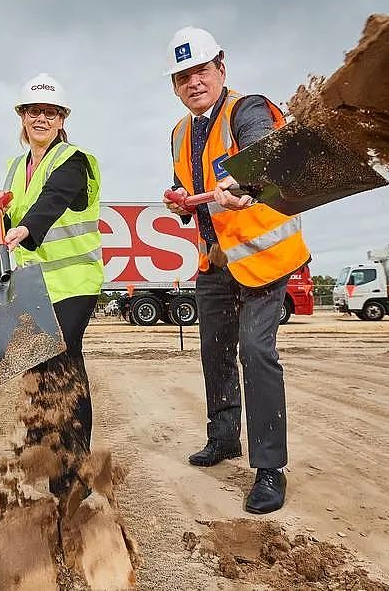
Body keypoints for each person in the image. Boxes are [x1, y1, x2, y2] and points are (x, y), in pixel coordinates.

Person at [161, 27, 310, 514]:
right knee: (215, 352)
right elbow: (192, 189)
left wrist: (243, 180)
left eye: (200, 71)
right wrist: (183, 203)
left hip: (265, 258)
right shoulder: (180, 132)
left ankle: (270, 469)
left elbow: (265, 154)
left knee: (255, 350)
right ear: (175, 86)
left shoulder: (248, 109)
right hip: (215, 261)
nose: (193, 82)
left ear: (221, 68)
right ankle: (223, 437)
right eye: (183, 77)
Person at [0, 74, 103, 498]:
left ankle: (73, 471)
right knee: (36, 365)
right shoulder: (17, 166)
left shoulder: (73, 159)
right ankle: (44, 445)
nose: (41, 118)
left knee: (64, 362)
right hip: (34, 284)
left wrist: (25, 229)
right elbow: (11, 211)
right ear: (22, 116)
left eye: (50, 113)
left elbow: (54, 198)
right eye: (34, 111)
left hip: (74, 282)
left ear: (62, 118)